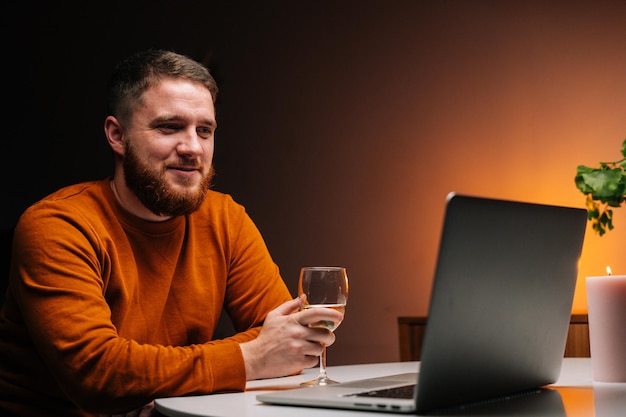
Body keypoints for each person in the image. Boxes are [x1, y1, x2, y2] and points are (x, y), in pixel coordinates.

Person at [0, 49, 343, 417]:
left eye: (205, 131)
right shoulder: (57, 224)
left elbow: (292, 345)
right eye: (169, 127)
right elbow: (97, 374)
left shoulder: (224, 216)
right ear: (117, 135)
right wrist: (249, 357)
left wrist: (159, 382)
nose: (193, 147)